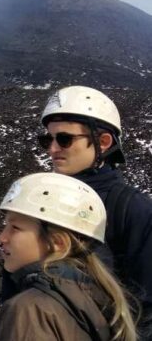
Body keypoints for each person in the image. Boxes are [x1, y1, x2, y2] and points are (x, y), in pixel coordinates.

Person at [37, 85, 152, 335]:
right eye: (47, 139)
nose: (52, 148)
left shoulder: (132, 209)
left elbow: (147, 309)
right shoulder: (46, 200)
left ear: (103, 141)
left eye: (64, 139)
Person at [0, 172, 137, 341]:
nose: (1, 238)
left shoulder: (29, 311)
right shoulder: (96, 298)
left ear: (57, 243)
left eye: (15, 227)